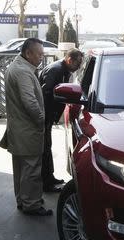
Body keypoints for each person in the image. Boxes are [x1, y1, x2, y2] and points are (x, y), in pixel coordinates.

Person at [0, 38, 52, 216]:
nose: (41, 58)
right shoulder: (23, 71)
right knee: (31, 169)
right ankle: (32, 204)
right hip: (27, 129)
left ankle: (23, 199)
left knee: (21, 168)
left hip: (19, 128)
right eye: (39, 54)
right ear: (28, 53)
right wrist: (41, 120)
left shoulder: (17, 66)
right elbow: (29, 101)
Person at [38, 48, 84, 192]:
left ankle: (49, 177)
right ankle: (46, 182)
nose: (78, 67)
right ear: (70, 60)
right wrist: (46, 118)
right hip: (44, 116)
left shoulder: (63, 70)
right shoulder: (56, 70)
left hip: (48, 117)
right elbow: (46, 94)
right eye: (78, 63)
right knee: (44, 148)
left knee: (47, 147)